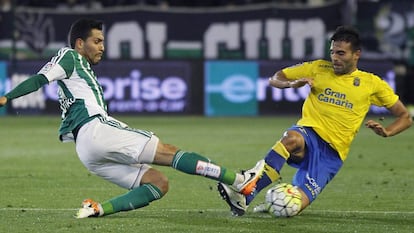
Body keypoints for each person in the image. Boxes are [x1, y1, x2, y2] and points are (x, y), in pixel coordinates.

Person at [0, 18, 247, 218]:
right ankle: (238, 180)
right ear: (79, 43)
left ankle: (97, 209)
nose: (102, 47)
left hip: (87, 152)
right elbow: (40, 79)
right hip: (96, 129)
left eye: (102, 42)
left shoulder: (79, 71)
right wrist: (7, 97)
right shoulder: (69, 56)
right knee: (169, 153)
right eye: (96, 41)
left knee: (158, 183)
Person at [217, 25, 412, 217]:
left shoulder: (372, 83)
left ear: (356, 54)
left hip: (332, 155)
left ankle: (271, 202)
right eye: (332, 52)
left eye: (341, 53)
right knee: (291, 138)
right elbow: (275, 78)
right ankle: (247, 194)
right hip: (308, 135)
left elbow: (405, 117)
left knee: (292, 208)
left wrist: (387, 132)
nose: (335, 57)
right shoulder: (318, 67)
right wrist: (292, 84)